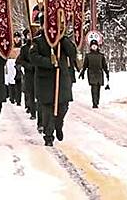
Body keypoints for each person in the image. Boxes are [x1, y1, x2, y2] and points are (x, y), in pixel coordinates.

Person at [30, 14, 77, 147]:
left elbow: (72, 53)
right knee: (47, 110)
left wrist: (63, 38)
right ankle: (48, 135)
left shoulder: (61, 40)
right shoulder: (38, 41)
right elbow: (33, 57)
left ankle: (58, 124)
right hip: (45, 81)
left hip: (61, 79)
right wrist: (48, 62)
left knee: (63, 106)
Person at [79, 40, 110, 109]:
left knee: (98, 88)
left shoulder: (101, 56)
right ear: (90, 47)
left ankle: (97, 101)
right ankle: (94, 103)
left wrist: (107, 72)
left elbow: (104, 65)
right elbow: (85, 65)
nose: (94, 47)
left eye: (95, 46)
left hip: (99, 73)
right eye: (93, 46)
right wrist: (82, 72)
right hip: (91, 73)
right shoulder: (88, 56)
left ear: (97, 46)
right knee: (94, 88)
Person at [17, 29, 37, 120]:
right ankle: (33, 112)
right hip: (29, 74)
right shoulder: (24, 48)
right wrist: (28, 66)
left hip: (38, 72)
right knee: (31, 93)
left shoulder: (37, 45)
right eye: (28, 35)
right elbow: (21, 60)